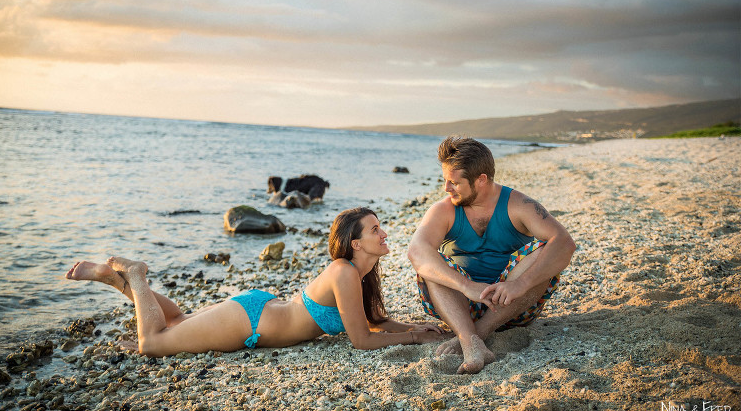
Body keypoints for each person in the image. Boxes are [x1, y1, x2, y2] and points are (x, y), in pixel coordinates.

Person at [65, 207, 445, 356]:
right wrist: (413, 338)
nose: (383, 233)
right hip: (250, 321)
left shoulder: (358, 273)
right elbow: (361, 341)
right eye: (375, 229)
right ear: (355, 242)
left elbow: (372, 323)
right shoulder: (345, 271)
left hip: (257, 310)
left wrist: (416, 326)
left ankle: (112, 280)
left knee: (177, 320)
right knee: (152, 343)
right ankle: (133, 274)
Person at [408, 136, 576, 374]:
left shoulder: (519, 205)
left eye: (454, 182)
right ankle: (469, 339)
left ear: (481, 180)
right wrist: (467, 286)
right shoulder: (444, 210)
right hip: (458, 307)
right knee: (431, 264)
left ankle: (476, 335)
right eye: (445, 180)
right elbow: (416, 251)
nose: (446, 188)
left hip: (513, 305)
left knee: (542, 250)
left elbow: (565, 243)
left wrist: (520, 284)